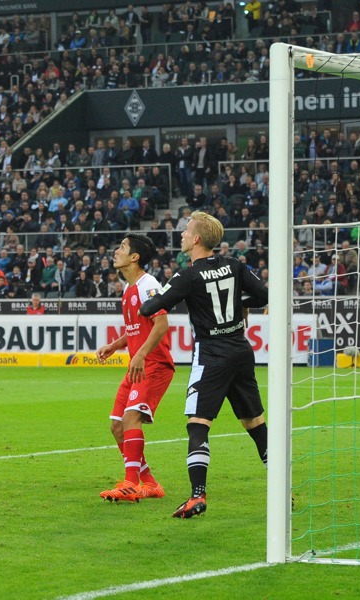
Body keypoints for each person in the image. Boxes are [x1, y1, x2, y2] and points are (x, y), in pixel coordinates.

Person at [140, 211, 269, 518]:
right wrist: (237, 304)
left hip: (211, 354)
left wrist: (156, 292)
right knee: (255, 423)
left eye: (186, 231)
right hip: (240, 349)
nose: (183, 235)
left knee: (197, 425)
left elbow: (150, 308)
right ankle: (283, 489)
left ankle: (197, 496)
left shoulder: (188, 276)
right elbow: (263, 295)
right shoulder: (234, 265)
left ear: (196, 239)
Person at [96, 234, 174, 502]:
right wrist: (116, 345)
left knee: (130, 419)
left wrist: (139, 355)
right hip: (138, 364)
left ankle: (130, 484)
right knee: (117, 426)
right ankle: (149, 483)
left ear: (134, 257)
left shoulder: (148, 285)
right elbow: (138, 329)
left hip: (153, 365)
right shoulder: (130, 289)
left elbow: (162, 324)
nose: (116, 251)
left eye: (122, 247)